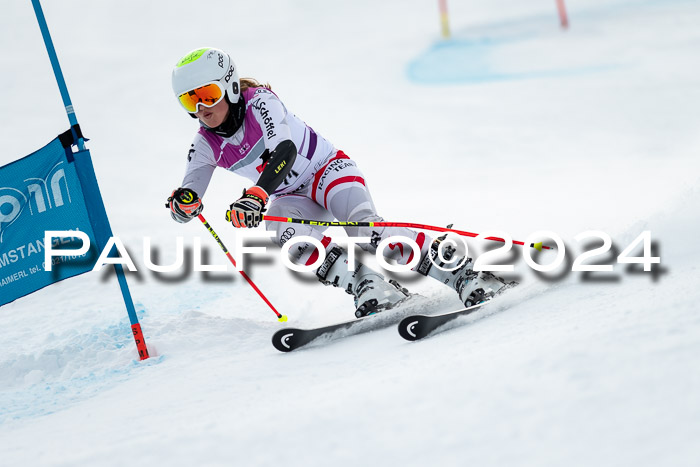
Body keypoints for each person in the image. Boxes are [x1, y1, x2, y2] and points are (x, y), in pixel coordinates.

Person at [166, 47, 512, 318]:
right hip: (291, 195)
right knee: (287, 236)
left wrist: (256, 195)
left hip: (327, 170)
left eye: (208, 94)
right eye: (189, 100)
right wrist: (184, 204)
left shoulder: (260, 102)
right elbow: (190, 191)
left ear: (228, 85)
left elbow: (283, 150)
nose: (201, 108)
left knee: (366, 233)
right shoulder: (205, 144)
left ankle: (464, 273)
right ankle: (370, 284)